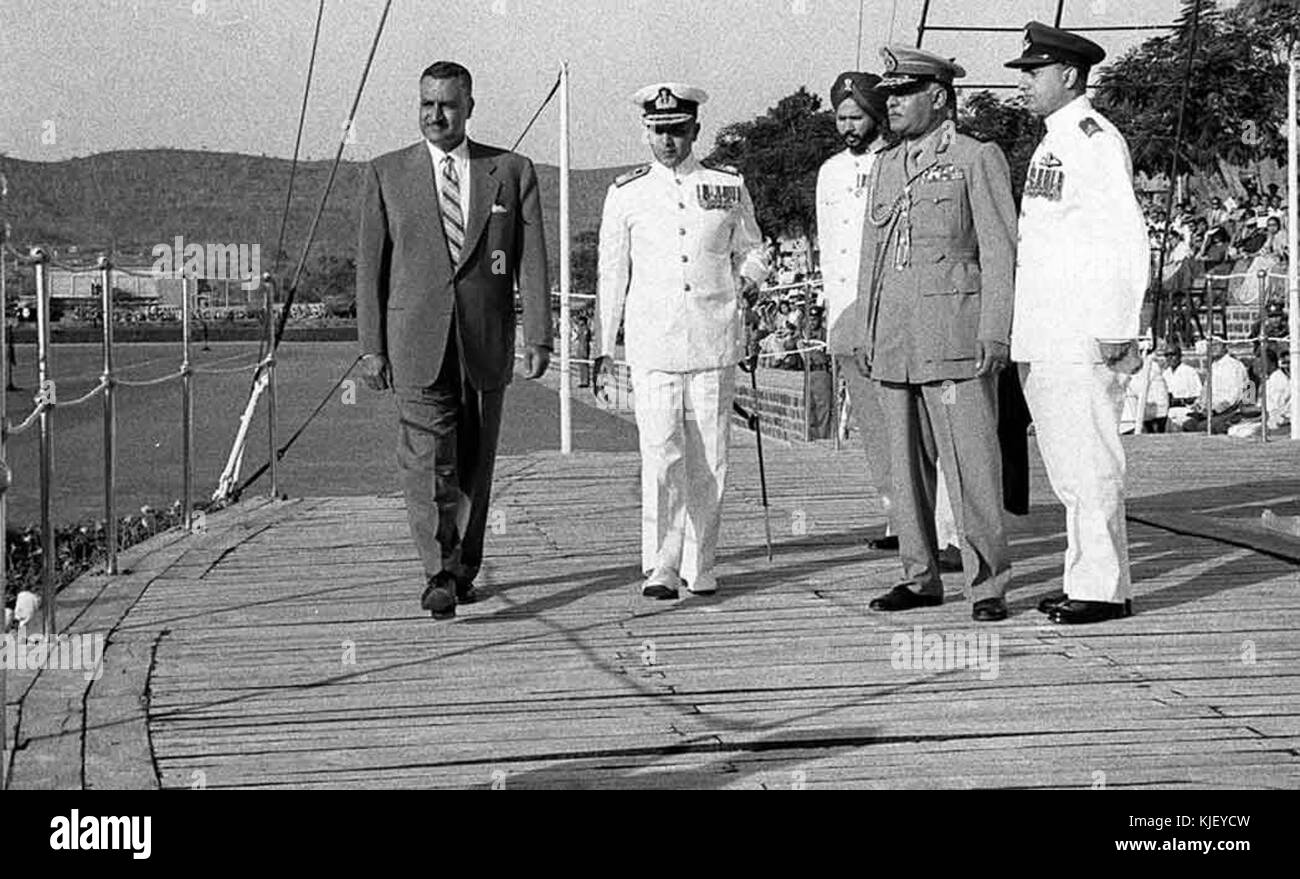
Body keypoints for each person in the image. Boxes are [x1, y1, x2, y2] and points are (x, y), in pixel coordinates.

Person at [355, 61, 551, 620]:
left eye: (446, 104)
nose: (434, 115)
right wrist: (371, 346)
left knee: (474, 465)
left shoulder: (510, 172)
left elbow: (529, 262)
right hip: (415, 343)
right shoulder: (385, 174)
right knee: (425, 463)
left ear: (469, 106)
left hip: (484, 343)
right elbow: (369, 269)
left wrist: (538, 333)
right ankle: (437, 571)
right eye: (426, 104)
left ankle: (464, 566)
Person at [855, 46, 1017, 623]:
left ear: (939, 97)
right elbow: (872, 256)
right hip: (895, 336)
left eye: (903, 93)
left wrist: (996, 330)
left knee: (971, 463)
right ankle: (919, 575)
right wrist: (866, 327)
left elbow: (1000, 249)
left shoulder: (976, 158)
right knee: (906, 466)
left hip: (955, 336)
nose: (890, 103)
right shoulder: (886, 165)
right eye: (889, 94)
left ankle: (987, 582)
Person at [593, 81, 768, 599]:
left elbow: (754, 249)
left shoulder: (727, 186)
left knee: (711, 454)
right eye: (658, 131)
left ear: (695, 129)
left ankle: (702, 562)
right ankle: (662, 563)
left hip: (714, 339)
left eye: (677, 130)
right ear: (645, 133)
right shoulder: (626, 193)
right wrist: (605, 347)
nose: (668, 141)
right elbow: (611, 273)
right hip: (653, 343)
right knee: (661, 454)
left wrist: (749, 279)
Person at [1009, 22, 1149, 625]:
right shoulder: (1053, 140)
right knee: (1068, 468)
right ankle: (1082, 577)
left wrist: (1118, 325)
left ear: (1068, 76)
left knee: (1091, 461)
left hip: (1083, 332)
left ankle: (1103, 588)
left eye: (1033, 74)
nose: (1024, 85)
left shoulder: (1092, 138)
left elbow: (1125, 237)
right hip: (1048, 331)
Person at [814, 70, 962, 565]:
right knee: (877, 430)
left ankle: (947, 529)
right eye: (840, 118)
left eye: (856, 117)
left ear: (876, 115)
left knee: (920, 428)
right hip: (846, 314)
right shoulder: (830, 171)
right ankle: (900, 518)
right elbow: (829, 249)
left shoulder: (899, 163)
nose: (847, 126)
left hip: (892, 309)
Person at [1181, 340, 1250, 433]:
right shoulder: (1213, 366)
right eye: (1211, 344)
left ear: (1225, 346)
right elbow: (1205, 392)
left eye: (1217, 344)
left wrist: (1214, 411)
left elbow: (1233, 398)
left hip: (1230, 412)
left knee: (1202, 427)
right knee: (1187, 424)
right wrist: (1199, 405)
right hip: (1209, 412)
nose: (1213, 347)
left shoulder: (1234, 366)